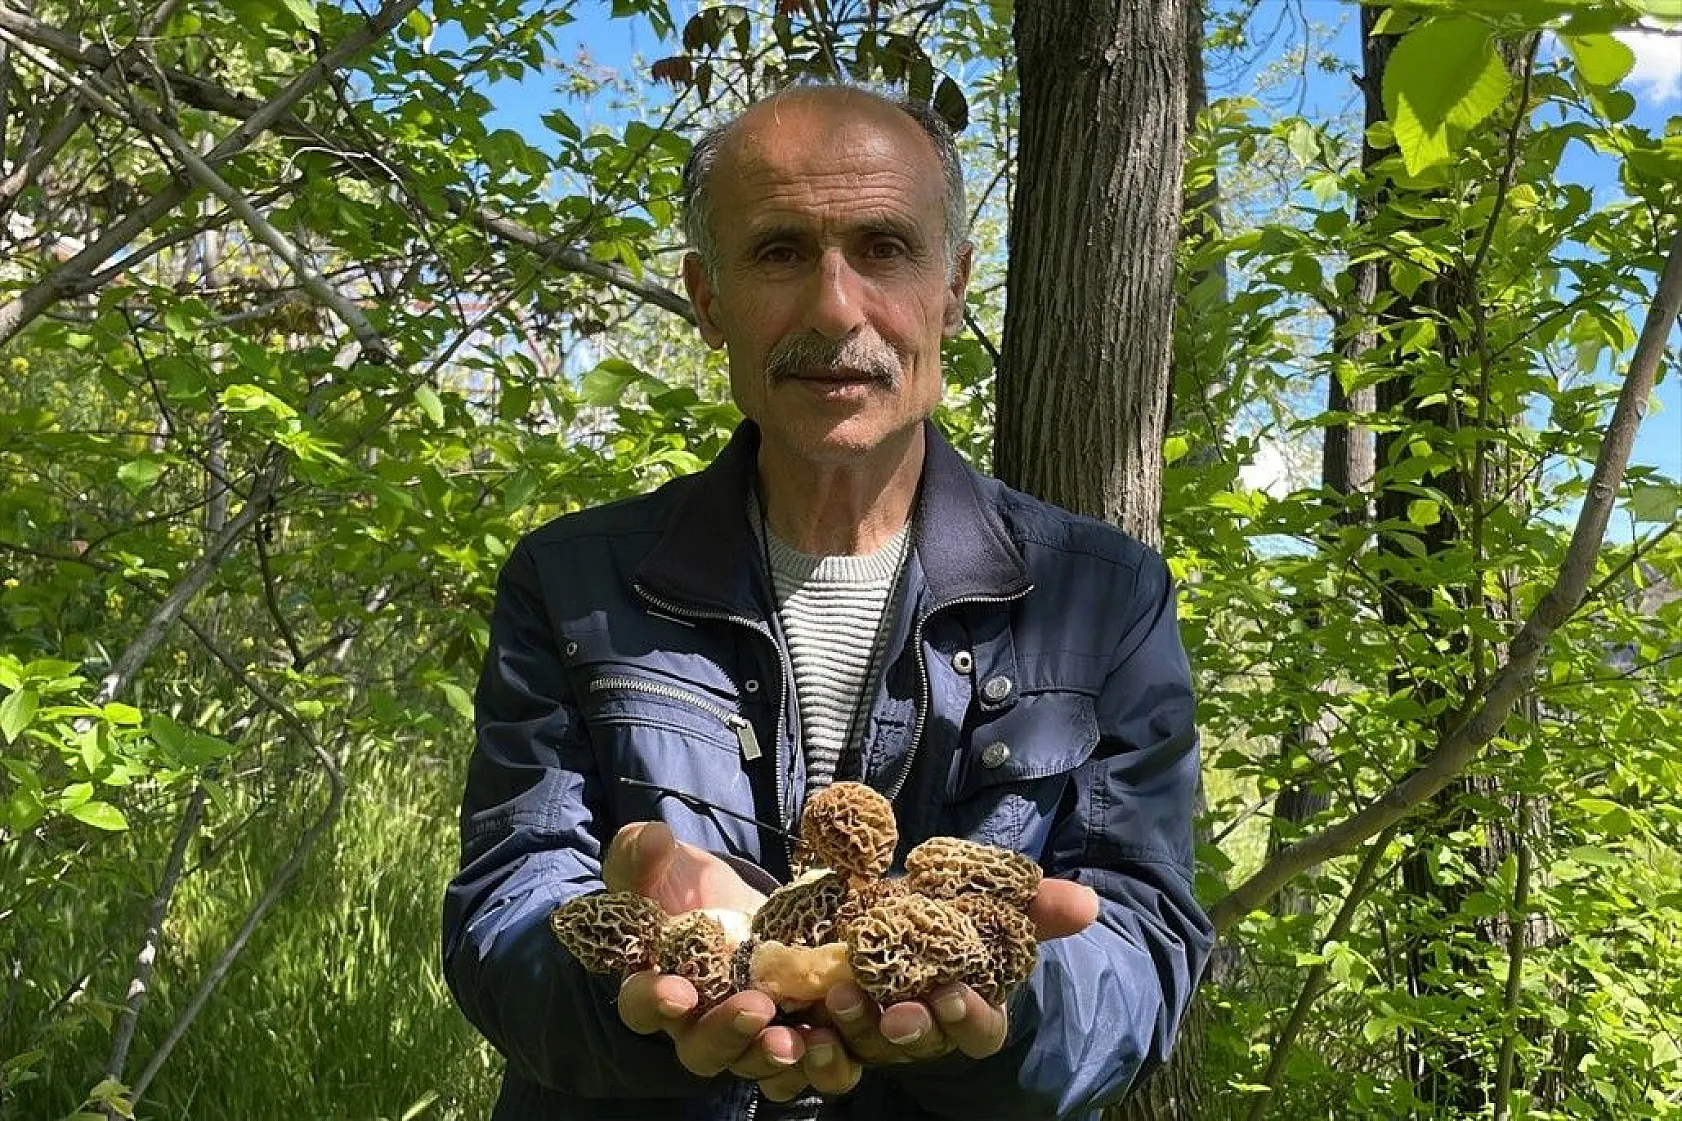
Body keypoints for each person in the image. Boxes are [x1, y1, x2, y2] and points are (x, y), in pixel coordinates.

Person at [442, 82, 1213, 1121]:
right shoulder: (575, 583)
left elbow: (1139, 943)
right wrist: (638, 992)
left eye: (884, 247)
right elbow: (504, 910)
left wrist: (999, 1006)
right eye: (778, 253)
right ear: (706, 301)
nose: (835, 307)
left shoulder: (1101, 595)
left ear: (952, 289)